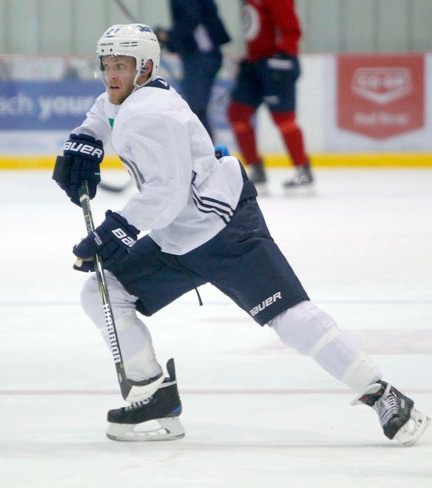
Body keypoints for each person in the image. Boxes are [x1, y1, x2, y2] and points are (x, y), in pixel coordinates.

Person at [52, 24, 430, 444]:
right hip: (177, 236)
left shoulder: (153, 113)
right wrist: (82, 143)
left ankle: (383, 393)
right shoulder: (128, 97)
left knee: (289, 316)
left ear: (146, 67)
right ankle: (154, 398)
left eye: (120, 65)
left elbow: (169, 193)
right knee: (103, 292)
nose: (111, 75)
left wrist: (114, 232)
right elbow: (103, 112)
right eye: (106, 65)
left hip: (223, 230)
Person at [228, 0, 313, 190]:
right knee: (237, 113)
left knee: (284, 118)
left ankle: (303, 170)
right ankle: (256, 168)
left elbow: (291, 28)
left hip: (276, 62)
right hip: (254, 63)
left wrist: (284, 57)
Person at [154, 0, 230, 140]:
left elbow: (191, 20)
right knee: (196, 108)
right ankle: (206, 152)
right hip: (200, 55)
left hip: (201, 56)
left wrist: (168, 36)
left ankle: (207, 153)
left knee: (196, 108)